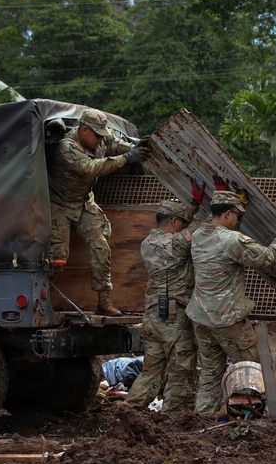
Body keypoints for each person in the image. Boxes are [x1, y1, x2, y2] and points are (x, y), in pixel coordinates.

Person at [185, 183, 276, 416]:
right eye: (237, 215)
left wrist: (238, 204)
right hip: (227, 320)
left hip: (201, 318)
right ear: (227, 214)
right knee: (253, 369)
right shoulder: (232, 240)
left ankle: (203, 417)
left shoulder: (198, 235)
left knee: (210, 373)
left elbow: (212, 221)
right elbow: (268, 257)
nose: (239, 220)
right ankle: (253, 417)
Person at [47, 107, 146, 316]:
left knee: (100, 248)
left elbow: (115, 145)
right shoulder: (67, 147)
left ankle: (104, 301)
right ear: (84, 130)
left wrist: (136, 147)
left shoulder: (100, 139)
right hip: (59, 204)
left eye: (103, 135)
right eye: (97, 135)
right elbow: (92, 168)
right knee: (57, 256)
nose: (101, 140)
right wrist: (128, 157)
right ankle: (42, 297)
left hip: (83, 203)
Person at [124, 182, 206, 415]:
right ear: (173, 222)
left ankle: (128, 412)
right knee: (181, 369)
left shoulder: (148, 243)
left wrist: (194, 205)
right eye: (181, 224)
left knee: (151, 370)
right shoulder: (176, 243)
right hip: (173, 317)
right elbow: (203, 231)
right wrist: (218, 209)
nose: (183, 228)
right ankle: (173, 418)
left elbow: (184, 229)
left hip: (152, 316)